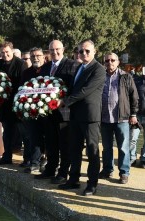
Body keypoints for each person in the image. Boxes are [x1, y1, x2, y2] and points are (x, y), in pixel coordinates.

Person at [58, 39, 106, 196]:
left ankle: (92, 184)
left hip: (90, 116)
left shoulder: (99, 69)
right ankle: (73, 180)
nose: (83, 53)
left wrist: (65, 101)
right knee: (74, 149)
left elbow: (86, 90)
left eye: (87, 51)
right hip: (75, 115)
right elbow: (72, 88)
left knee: (92, 151)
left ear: (94, 52)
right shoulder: (79, 67)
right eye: (80, 51)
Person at [35, 40, 78, 185]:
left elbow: (74, 89)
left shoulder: (72, 65)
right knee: (50, 142)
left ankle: (63, 172)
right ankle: (50, 169)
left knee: (64, 144)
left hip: (64, 112)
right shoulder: (46, 67)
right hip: (48, 112)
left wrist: (64, 100)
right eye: (52, 50)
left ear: (63, 49)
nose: (55, 52)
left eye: (57, 49)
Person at [99, 52, 138, 184]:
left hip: (122, 119)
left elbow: (134, 97)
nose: (110, 62)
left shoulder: (126, 76)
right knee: (106, 147)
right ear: (104, 62)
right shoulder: (100, 76)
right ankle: (107, 169)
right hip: (104, 119)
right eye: (107, 61)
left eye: (112, 60)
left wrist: (133, 114)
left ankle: (124, 172)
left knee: (123, 147)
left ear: (118, 62)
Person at [0, 42, 25, 165]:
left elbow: (22, 84)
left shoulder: (20, 64)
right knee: (7, 132)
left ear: (12, 51)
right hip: (4, 104)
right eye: (2, 52)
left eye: (7, 52)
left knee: (22, 132)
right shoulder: (0, 63)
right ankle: (7, 156)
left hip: (17, 103)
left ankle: (27, 159)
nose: (5, 54)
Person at [19, 47, 45, 172]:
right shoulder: (26, 73)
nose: (36, 58)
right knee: (34, 135)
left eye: (38, 55)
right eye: (33, 56)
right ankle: (34, 162)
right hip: (32, 110)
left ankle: (45, 160)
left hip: (48, 110)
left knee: (48, 137)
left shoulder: (48, 70)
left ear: (43, 56)